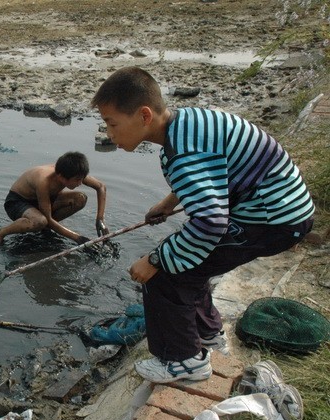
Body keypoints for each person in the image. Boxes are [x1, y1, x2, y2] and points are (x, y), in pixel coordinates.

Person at [91, 66, 315, 384]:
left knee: (167, 275)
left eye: (112, 124)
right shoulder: (184, 124)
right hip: (279, 208)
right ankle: (207, 336)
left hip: (272, 219)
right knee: (193, 263)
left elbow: (210, 224)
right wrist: (169, 204)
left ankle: (184, 362)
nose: (109, 134)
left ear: (144, 115)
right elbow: (211, 170)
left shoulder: (182, 155)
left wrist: (154, 259)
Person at [0, 151, 108, 245]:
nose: (80, 183)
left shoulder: (74, 171)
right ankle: (2, 232)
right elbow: (47, 217)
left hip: (45, 200)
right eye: (77, 180)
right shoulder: (44, 181)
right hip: (18, 202)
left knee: (80, 199)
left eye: (82, 179)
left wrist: (100, 219)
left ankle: (45, 228)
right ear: (61, 177)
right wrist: (78, 238)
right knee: (40, 221)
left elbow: (101, 187)